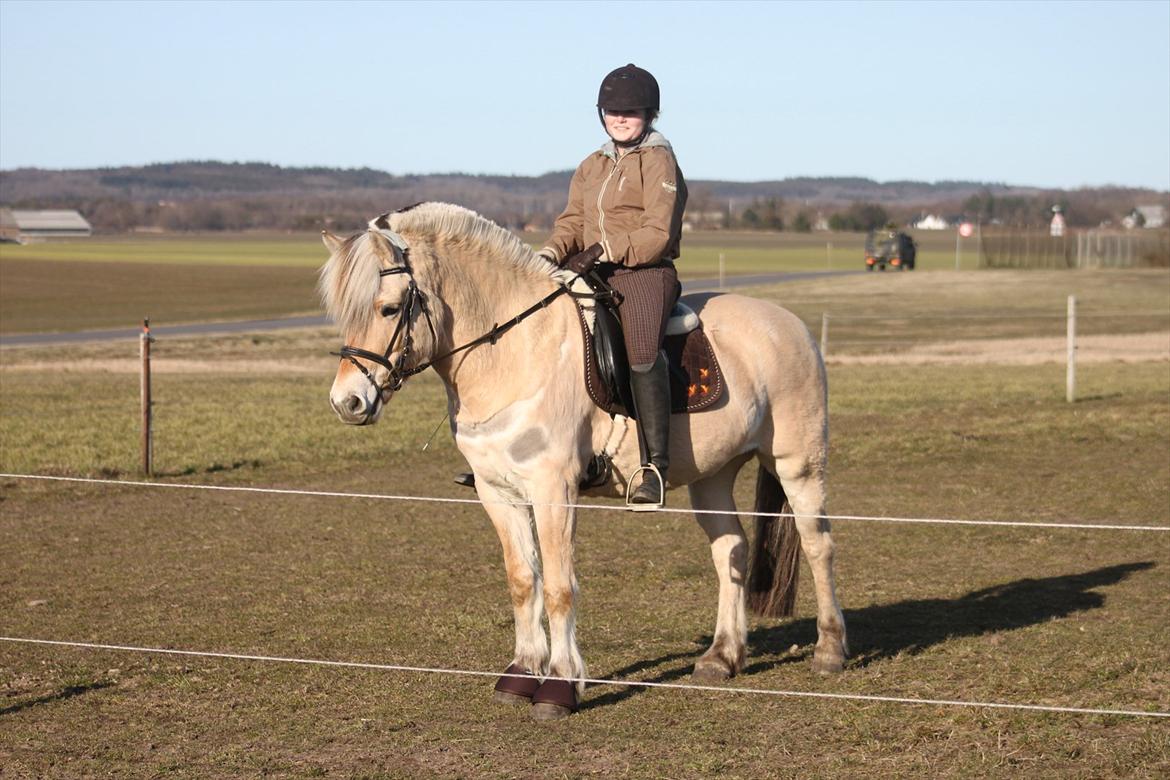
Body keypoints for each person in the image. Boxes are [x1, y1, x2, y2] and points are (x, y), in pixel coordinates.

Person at [538, 63, 688, 507]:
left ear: (650, 115)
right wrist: (549, 252)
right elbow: (571, 222)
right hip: (590, 269)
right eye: (611, 111)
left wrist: (604, 249)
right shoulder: (592, 164)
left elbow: (656, 233)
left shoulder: (659, 160)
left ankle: (654, 467)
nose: (620, 118)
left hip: (644, 272)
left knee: (642, 352)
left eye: (631, 111)